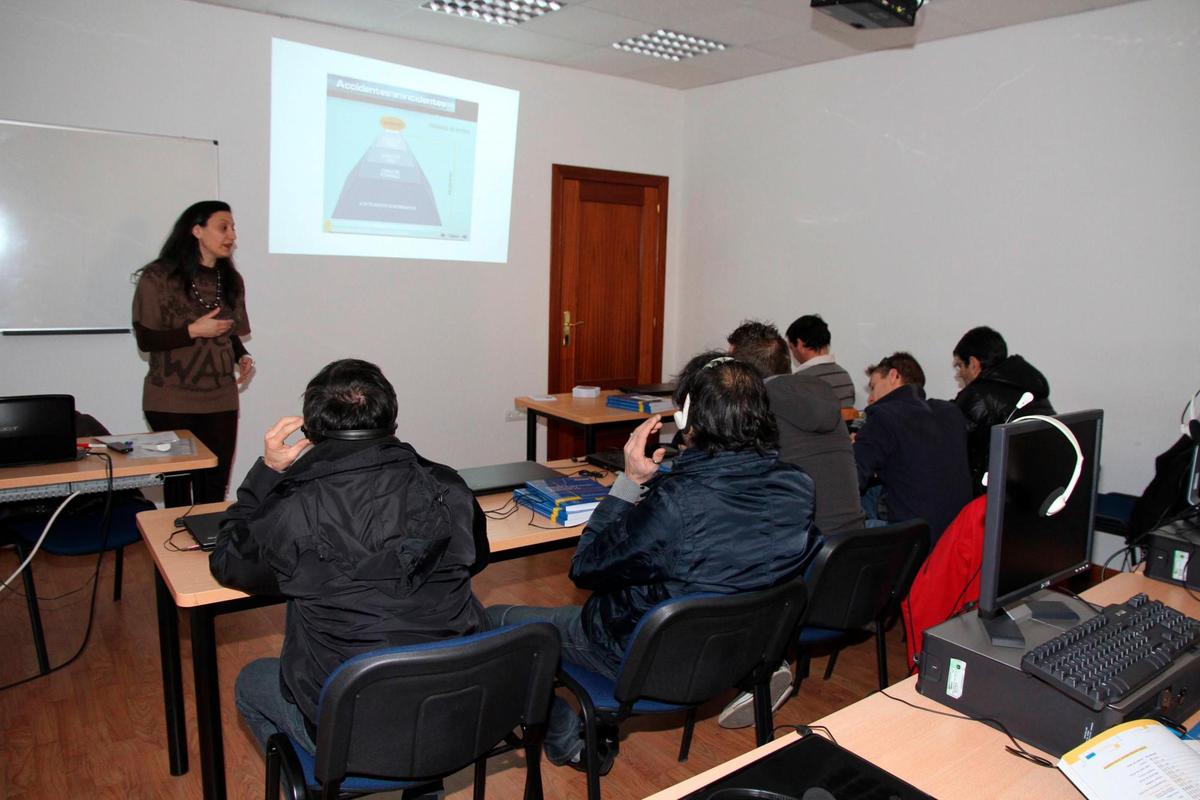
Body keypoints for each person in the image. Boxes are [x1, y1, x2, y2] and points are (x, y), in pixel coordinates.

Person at [487, 352, 820, 771]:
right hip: (737, 654)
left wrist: (629, 482)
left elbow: (585, 566)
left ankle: (567, 740)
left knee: (492, 623)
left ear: (687, 419)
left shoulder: (677, 502)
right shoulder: (799, 486)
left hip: (640, 654)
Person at [209, 359, 489, 760]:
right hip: (458, 707)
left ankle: (332, 775)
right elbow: (474, 561)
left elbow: (229, 563)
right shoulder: (447, 485)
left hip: (354, 727)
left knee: (251, 682)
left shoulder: (293, 505)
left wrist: (267, 473)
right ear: (392, 418)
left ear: (310, 430)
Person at [132, 200, 254, 505]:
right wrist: (192, 331)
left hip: (220, 396)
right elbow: (146, 339)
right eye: (223, 227)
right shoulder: (158, 277)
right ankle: (173, 550)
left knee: (215, 482)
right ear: (197, 230)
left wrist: (241, 355)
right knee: (178, 485)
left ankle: (209, 548)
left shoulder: (231, 280)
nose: (231, 235)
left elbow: (227, 329)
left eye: (233, 228)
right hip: (171, 397)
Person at [727, 320, 865, 535]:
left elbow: (730, 483)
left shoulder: (758, 405)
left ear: (742, 373)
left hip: (803, 549)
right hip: (850, 543)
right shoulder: (822, 392)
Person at [854, 352, 972, 544]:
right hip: (956, 535)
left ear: (893, 376)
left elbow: (853, 478)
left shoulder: (884, 416)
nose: (870, 399)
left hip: (914, 539)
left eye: (873, 387)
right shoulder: (949, 412)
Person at [952, 326, 1054, 493]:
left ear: (973, 364)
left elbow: (954, 449)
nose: (959, 374)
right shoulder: (1031, 388)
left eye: (959, 366)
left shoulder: (978, 395)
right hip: (1035, 486)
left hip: (995, 494)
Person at [784, 314, 855, 408]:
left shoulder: (799, 381)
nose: (792, 354)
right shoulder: (845, 376)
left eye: (791, 348)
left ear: (800, 344)